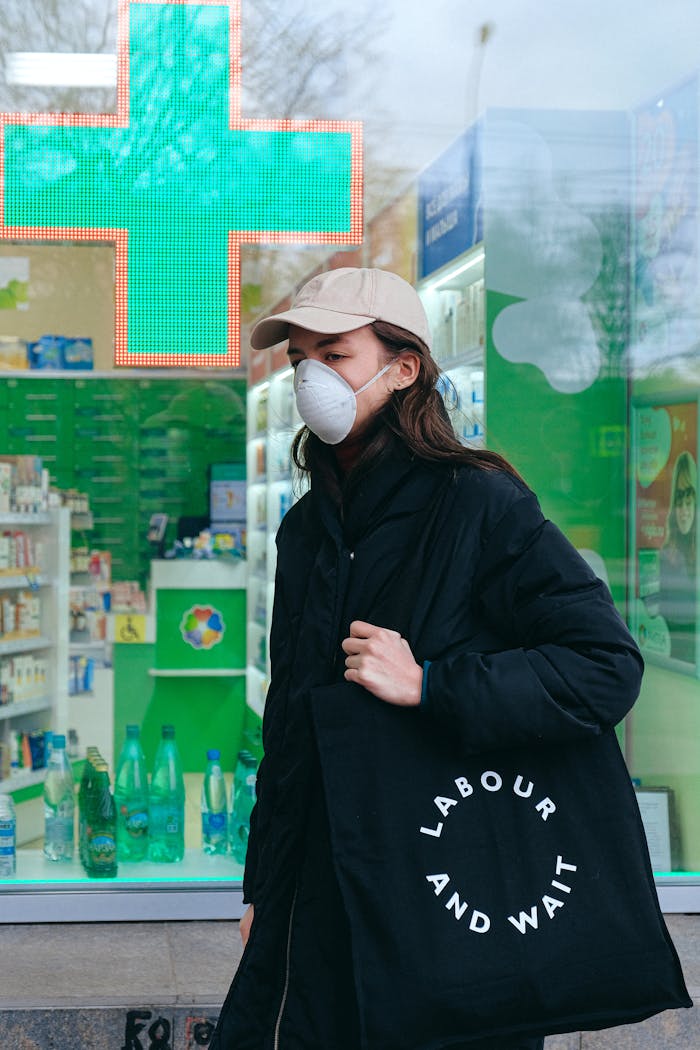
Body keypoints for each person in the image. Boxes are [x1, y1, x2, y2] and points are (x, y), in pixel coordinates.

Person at [210, 267, 648, 1050]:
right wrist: (263, 888)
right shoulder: (306, 529)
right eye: (297, 359)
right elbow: (290, 722)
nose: (310, 377)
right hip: (317, 899)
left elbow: (604, 666)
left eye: (335, 355)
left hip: (442, 895)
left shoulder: (479, 504)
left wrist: (434, 685)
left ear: (403, 367)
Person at [658, 449, 697, 664]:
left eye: (688, 503)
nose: (684, 512)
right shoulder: (668, 554)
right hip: (675, 645)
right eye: (679, 504)